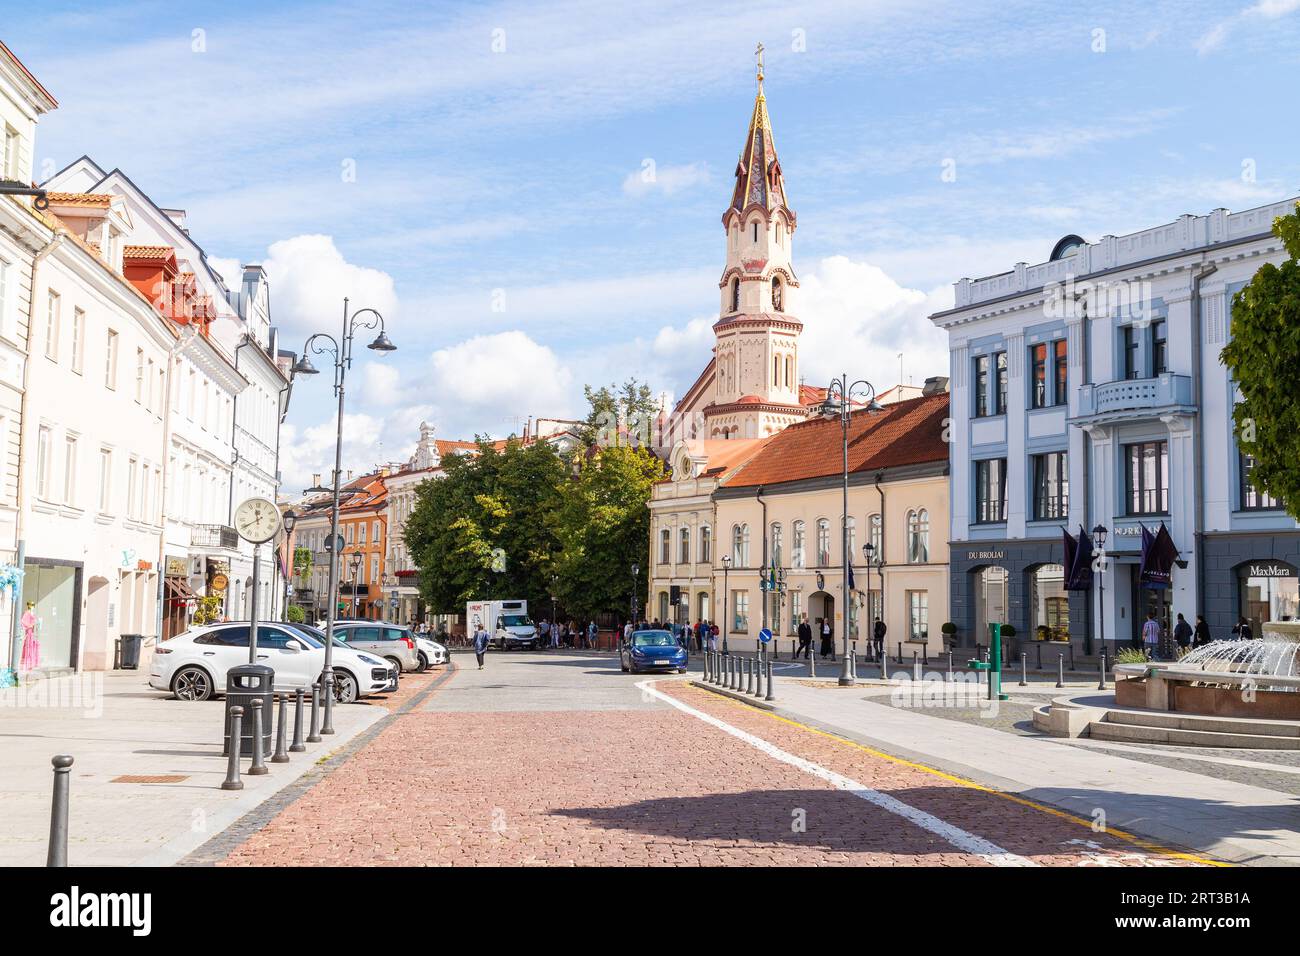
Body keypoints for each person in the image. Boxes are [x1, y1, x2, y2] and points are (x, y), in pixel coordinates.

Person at [19, 601, 39, 672]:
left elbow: (34, 622)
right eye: (32, 605)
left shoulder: (32, 613)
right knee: (28, 647)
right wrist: (29, 626)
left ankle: (30, 664)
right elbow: (22, 621)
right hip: (29, 633)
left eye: (33, 605)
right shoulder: (27, 613)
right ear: (29, 605)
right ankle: (26, 664)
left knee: (32, 647)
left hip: (32, 633)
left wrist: (34, 625)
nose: (33, 606)